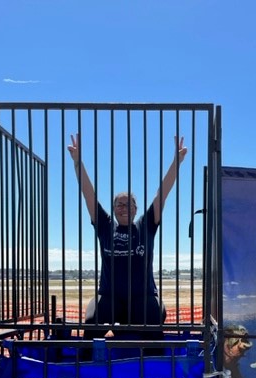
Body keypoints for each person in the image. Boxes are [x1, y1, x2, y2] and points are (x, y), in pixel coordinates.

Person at [67, 133, 187, 347]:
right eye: (120, 205)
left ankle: (153, 368)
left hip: (142, 297)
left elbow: (162, 195)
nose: (124, 208)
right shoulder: (105, 225)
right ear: (113, 209)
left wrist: (176, 163)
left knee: (155, 318)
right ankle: (86, 366)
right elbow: (89, 195)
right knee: (91, 320)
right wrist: (77, 163)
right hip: (110, 297)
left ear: (135, 209)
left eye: (129, 204)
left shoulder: (145, 225)